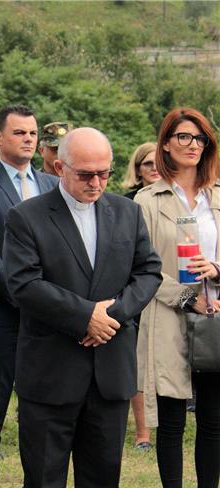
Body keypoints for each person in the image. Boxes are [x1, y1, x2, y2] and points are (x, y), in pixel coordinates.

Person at [3, 127, 162, 488]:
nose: (95, 183)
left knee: (102, 479)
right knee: (44, 480)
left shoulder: (127, 213)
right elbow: (23, 284)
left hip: (108, 368)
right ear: (60, 168)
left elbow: (149, 272)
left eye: (104, 174)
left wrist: (109, 317)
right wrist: (83, 316)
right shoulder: (27, 216)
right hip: (51, 370)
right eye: (86, 174)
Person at [134, 107, 220, 488]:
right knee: (170, 423)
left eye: (200, 139)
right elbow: (142, 269)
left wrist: (217, 273)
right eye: (184, 137)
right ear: (165, 143)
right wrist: (189, 296)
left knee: (213, 421)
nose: (193, 145)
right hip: (167, 317)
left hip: (217, 318)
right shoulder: (148, 201)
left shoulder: (219, 196)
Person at [0, 105, 60, 488]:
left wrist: (55, 303)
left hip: (49, 320)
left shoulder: (50, 184)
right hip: (2, 316)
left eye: (33, 133)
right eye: (20, 132)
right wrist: (28, 297)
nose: (28, 139)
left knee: (44, 410)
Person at [122, 141, 161, 452]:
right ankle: (142, 433)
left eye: (159, 161)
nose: (154, 168)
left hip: (177, 286)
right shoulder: (127, 204)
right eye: (147, 163)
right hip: (138, 288)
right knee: (139, 360)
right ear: (137, 169)